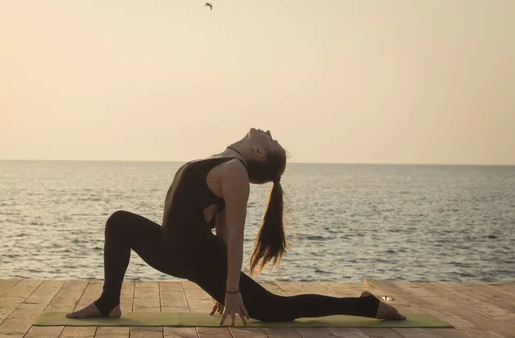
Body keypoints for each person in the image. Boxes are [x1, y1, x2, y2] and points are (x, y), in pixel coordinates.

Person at [67, 128, 406, 325]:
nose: (269, 133)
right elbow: (221, 228)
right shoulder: (222, 162)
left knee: (275, 310)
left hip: (197, 257)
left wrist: (230, 290)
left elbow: (233, 236)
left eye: (271, 141)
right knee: (119, 222)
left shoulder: (235, 172)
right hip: (173, 250)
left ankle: (366, 306)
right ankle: (109, 302)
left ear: (258, 152)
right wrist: (221, 287)